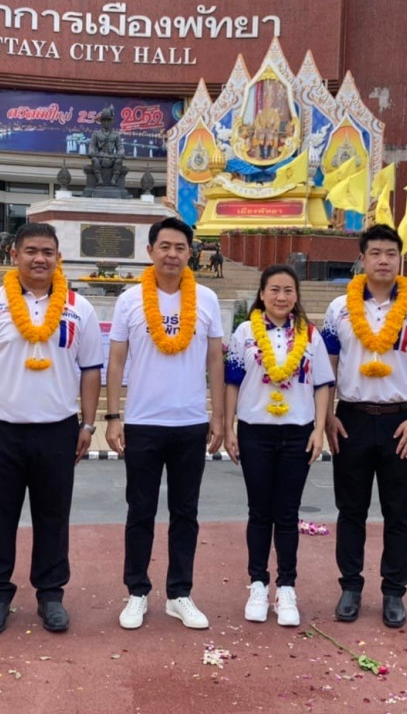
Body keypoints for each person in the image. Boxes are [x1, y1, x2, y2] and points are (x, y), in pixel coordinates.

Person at [0, 223, 103, 635]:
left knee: (53, 515)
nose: (40, 259)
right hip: (0, 428)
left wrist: (88, 423)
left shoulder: (79, 308)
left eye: (48, 252)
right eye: (31, 251)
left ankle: (51, 594)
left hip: (58, 429)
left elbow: (91, 370)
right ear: (15, 255)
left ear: (58, 258)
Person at [106, 217, 225, 630]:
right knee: (140, 511)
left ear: (191, 253)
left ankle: (179, 594)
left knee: (185, 512)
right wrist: (114, 416)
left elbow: (215, 360)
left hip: (190, 422)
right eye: (165, 246)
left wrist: (218, 416)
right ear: (150, 251)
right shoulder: (129, 300)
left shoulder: (207, 299)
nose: (172, 254)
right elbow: (116, 361)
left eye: (180, 248)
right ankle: (137, 591)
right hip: (143, 422)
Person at [322, 224, 407, 628]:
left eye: (391, 253)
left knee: (398, 511)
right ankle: (350, 587)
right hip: (351, 418)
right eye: (375, 253)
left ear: (400, 259)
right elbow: (328, 364)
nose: (384, 260)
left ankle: (394, 591)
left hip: (400, 421)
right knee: (350, 510)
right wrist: (327, 415)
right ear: (362, 259)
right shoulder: (338, 309)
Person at [223, 265, 333, 626]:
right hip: (255, 432)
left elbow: (322, 385)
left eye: (288, 290)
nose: (281, 297)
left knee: (287, 514)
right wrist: (229, 428)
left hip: (297, 433)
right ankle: (257, 584)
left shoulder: (310, 335)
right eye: (274, 290)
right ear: (262, 294)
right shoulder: (245, 333)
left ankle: (286, 587)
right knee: (259, 512)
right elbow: (232, 382)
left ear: (296, 295)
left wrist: (319, 428)